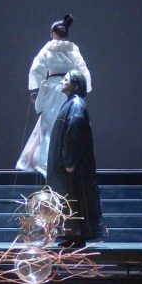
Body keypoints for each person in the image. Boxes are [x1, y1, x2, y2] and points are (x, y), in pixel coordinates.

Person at [16, 14, 92, 178]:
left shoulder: (48, 49)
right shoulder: (72, 50)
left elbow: (36, 69)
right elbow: (83, 70)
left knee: (49, 126)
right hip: (69, 89)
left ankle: (47, 165)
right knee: (66, 126)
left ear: (53, 33)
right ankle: (64, 163)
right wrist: (83, 89)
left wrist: (36, 89)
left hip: (52, 90)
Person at [46, 71, 107, 247]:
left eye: (66, 79)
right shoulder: (71, 104)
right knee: (67, 199)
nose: (62, 82)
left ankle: (76, 234)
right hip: (65, 166)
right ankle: (71, 233)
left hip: (70, 168)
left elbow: (73, 134)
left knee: (73, 198)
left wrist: (69, 160)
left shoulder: (76, 105)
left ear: (76, 84)